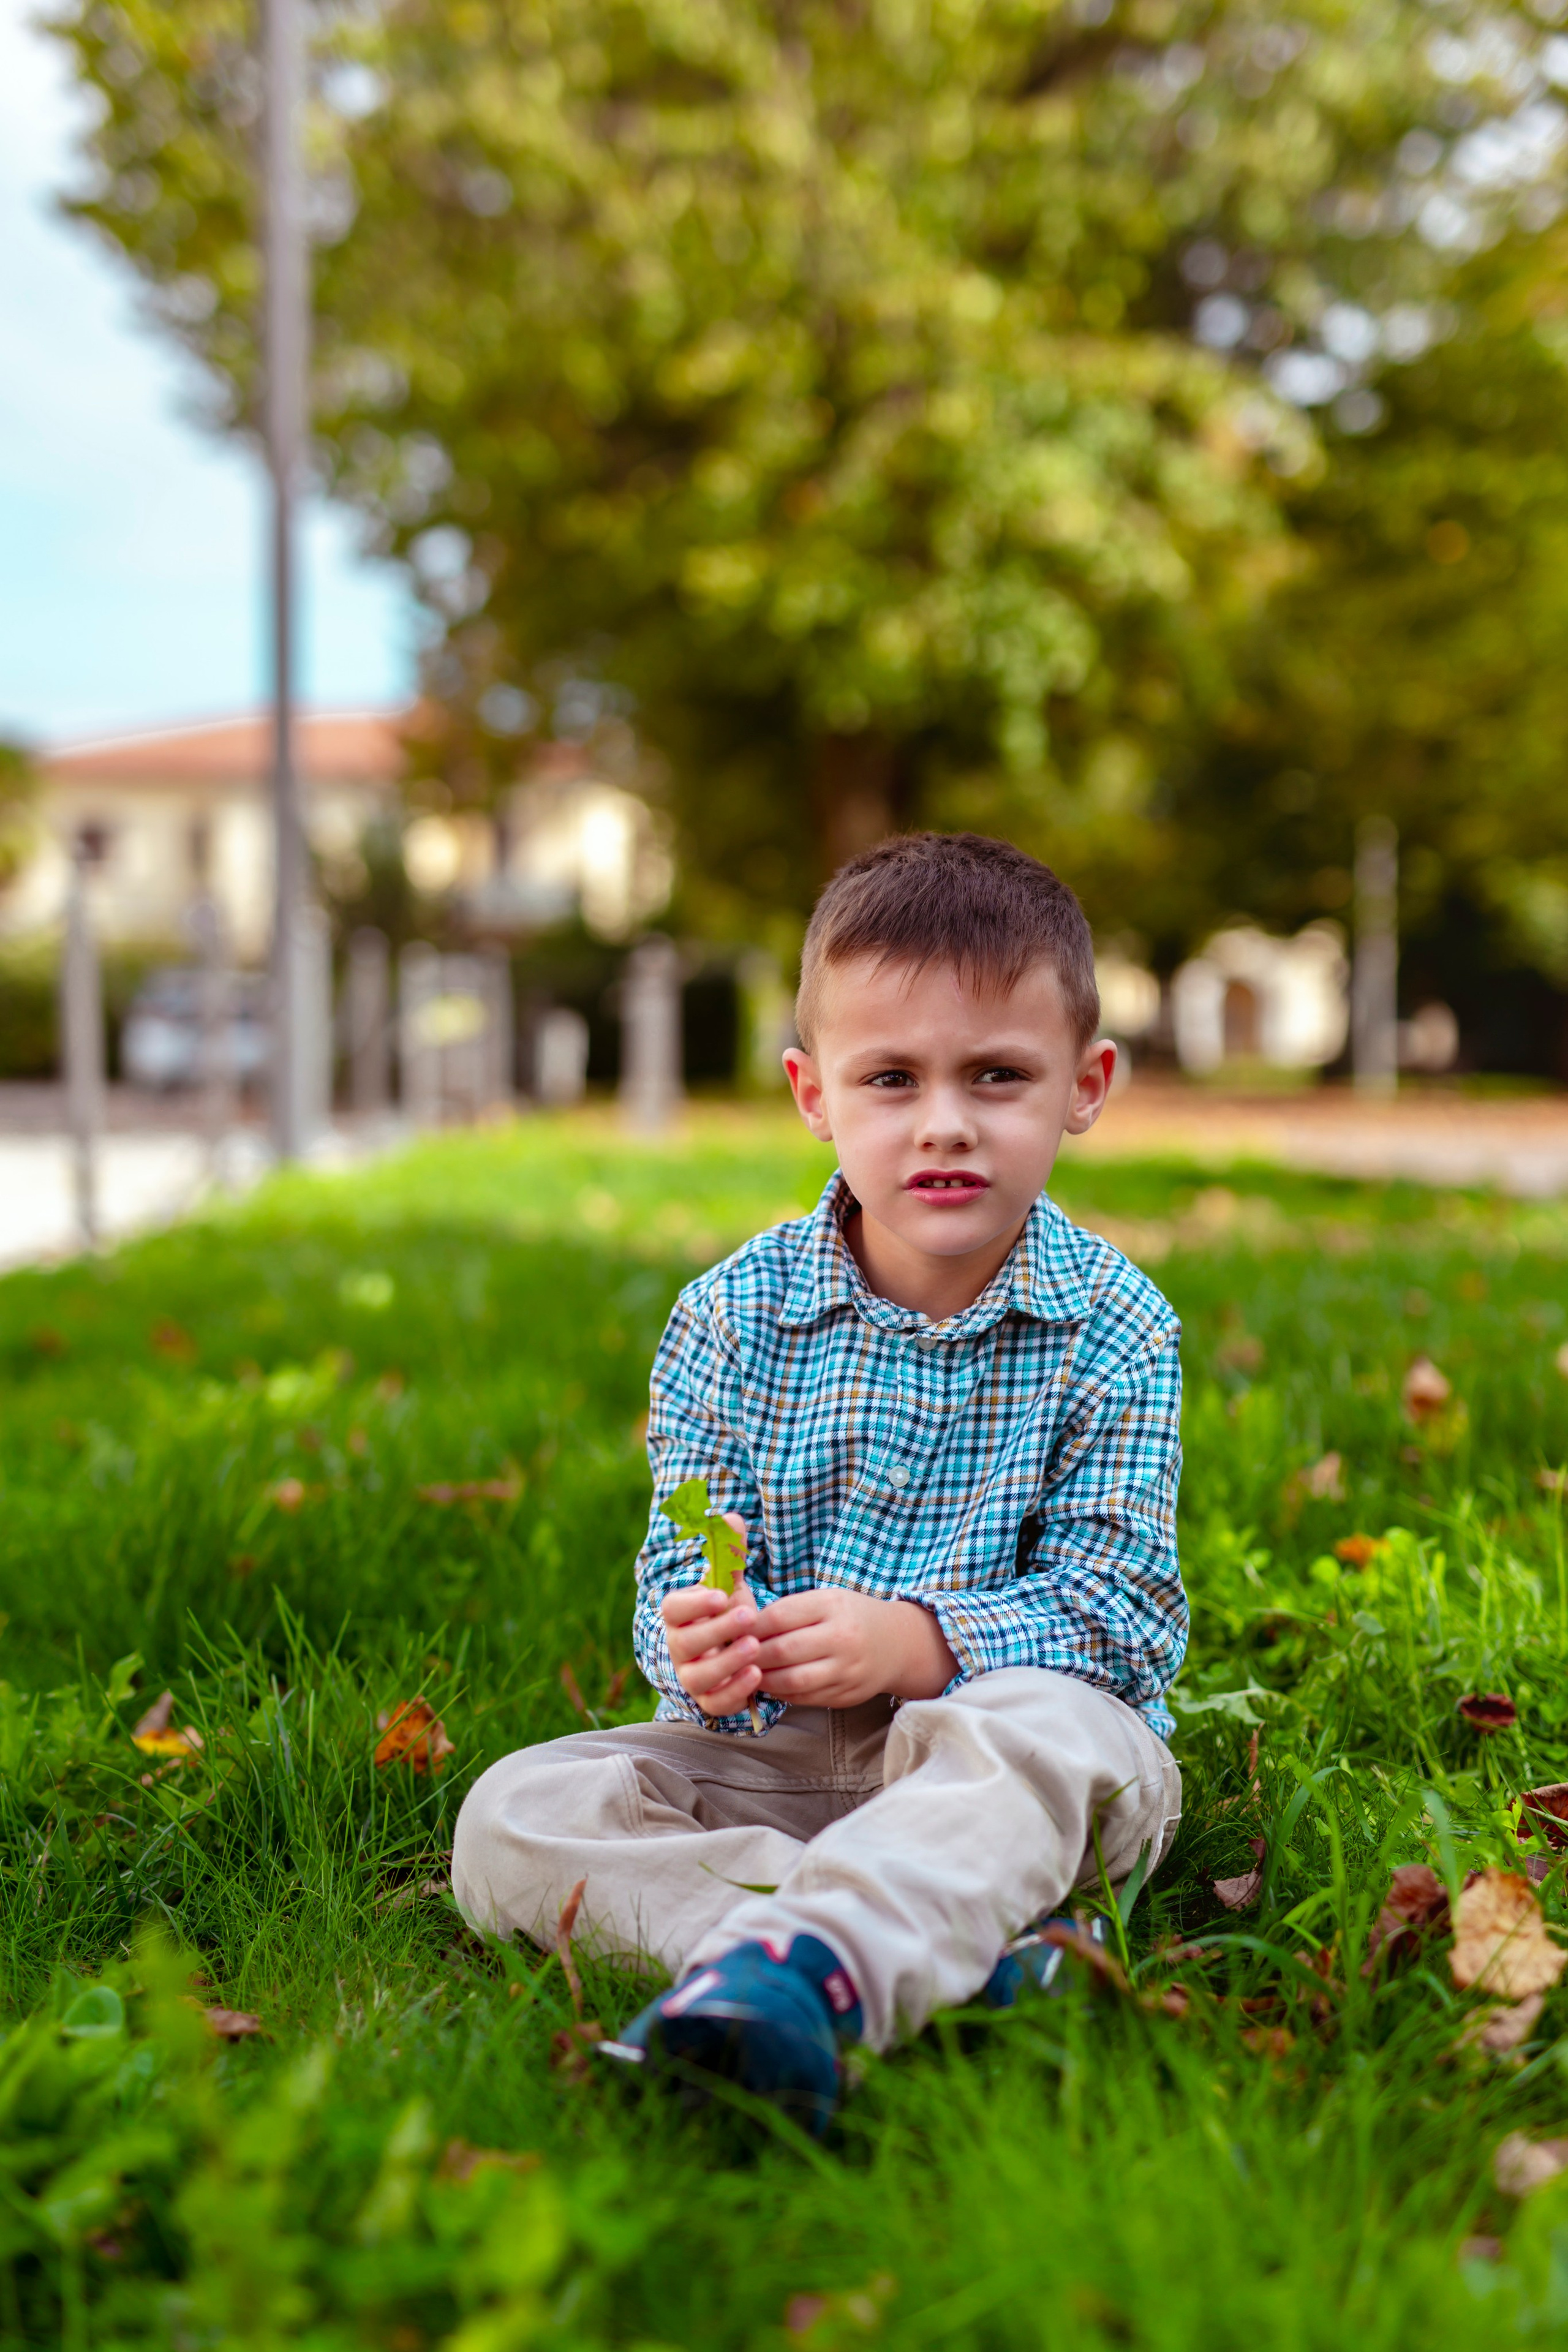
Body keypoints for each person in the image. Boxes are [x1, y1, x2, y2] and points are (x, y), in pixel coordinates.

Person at [453, 832, 1186, 2133]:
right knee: (513, 1814)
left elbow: (1124, 1615)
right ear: (812, 1095)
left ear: (1084, 1085)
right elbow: (686, 1562)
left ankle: (811, 1960)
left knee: (1080, 1747)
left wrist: (916, 1643)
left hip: (990, 1759)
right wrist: (699, 1648)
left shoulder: (1115, 1327)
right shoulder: (728, 1320)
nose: (943, 1122)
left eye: (997, 1077)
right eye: (891, 1078)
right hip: (778, 1765)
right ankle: (881, 1960)